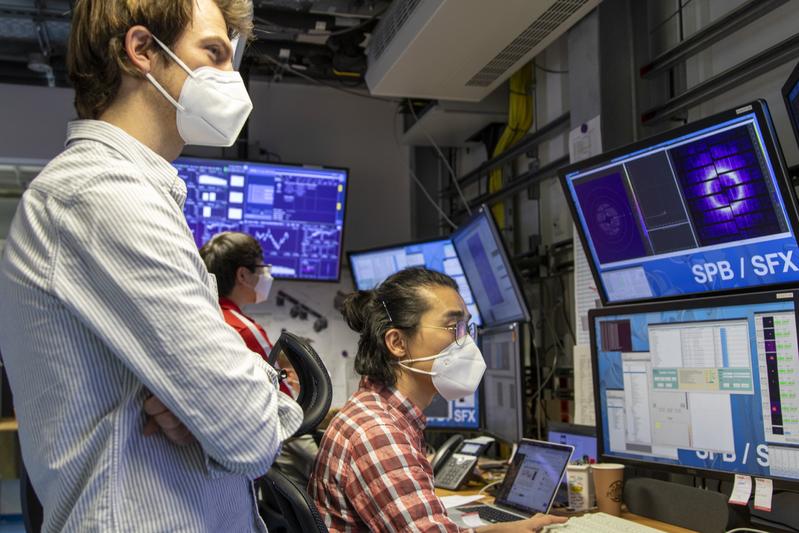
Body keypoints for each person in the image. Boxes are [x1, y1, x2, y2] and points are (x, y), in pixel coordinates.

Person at [0, 1, 303, 531]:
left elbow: (232, 406)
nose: (233, 79)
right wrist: (237, 402)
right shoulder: (102, 196)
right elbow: (250, 432)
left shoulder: (135, 194)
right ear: (142, 50)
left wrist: (215, 399)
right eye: (213, 54)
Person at [309, 267, 567, 532]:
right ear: (397, 342)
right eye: (453, 327)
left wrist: (502, 530)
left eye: (466, 327)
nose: (466, 341)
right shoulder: (378, 434)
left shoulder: (377, 412)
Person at [199, 231, 319, 487]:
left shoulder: (207, 317)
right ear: (243, 275)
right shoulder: (243, 329)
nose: (267, 276)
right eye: (262, 269)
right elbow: (285, 402)